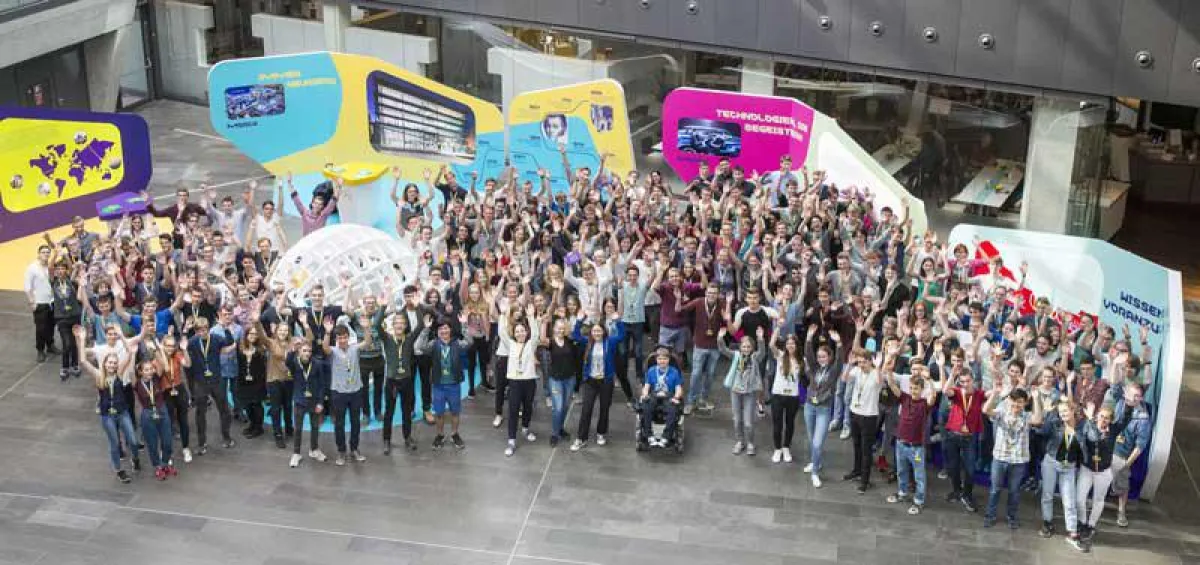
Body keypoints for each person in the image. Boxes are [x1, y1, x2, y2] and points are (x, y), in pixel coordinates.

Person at [74, 325, 138, 483]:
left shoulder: (120, 373)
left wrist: (121, 335)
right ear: (104, 364)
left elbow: (130, 353)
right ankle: (119, 470)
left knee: (133, 440)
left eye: (114, 363)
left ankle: (135, 458)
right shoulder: (98, 375)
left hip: (122, 412)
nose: (112, 365)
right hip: (108, 415)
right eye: (109, 363)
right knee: (114, 443)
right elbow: (82, 360)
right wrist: (81, 340)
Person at [983, 383, 1043, 529]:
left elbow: (1038, 420)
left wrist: (1036, 399)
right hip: (1000, 458)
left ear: (1024, 403)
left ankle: (1012, 517)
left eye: (1020, 401)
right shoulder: (1002, 412)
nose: (1017, 404)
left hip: (1019, 460)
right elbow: (986, 410)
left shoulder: (1027, 416)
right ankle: (990, 515)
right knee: (995, 489)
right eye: (1014, 400)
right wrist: (995, 393)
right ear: (1009, 400)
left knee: (1014, 491)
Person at [1036, 399, 1088, 551]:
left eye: (1066, 411)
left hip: (1069, 466)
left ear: (1073, 411)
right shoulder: (1054, 423)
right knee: (1047, 494)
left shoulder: (1082, 427)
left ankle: (1072, 533)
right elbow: (1042, 431)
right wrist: (1047, 412)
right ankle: (1047, 523)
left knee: (1069, 500)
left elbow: (1085, 448)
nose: (1063, 414)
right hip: (1051, 462)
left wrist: (1076, 434)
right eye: (1061, 412)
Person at [884, 360, 935, 514]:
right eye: (912, 387)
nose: (913, 390)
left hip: (916, 448)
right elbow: (893, 386)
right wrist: (888, 371)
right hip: (901, 443)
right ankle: (902, 493)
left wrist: (930, 380)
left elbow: (932, 396)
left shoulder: (925, 404)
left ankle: (919, 501)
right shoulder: (905, 398)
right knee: (901, 470)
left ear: (921, 389)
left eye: (916, 388)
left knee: (919, 475)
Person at [413, 316, 471, 450]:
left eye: (446, 328)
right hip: (438, 386)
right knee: (439, 413)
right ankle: (440, 435)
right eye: (440, 328)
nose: (443, 331)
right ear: (437, 331)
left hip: (454, 385)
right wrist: (426, 329)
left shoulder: (457, 343)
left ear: (450, 329)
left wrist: (464, 325)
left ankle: (455, 434)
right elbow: (419, 346)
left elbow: (469, 341)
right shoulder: (434, 344)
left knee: (455, 412)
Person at [571, 312, 626, 451]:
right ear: (591, 332)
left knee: (604, 408)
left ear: (604, 331)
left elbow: (622, 335)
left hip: (605, 381)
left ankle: (601, 433)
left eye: (599, 330)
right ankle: (581, 438)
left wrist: (617, 321)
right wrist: (579, 320)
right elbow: (575, 335)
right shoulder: (588, 342)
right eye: (594, 330)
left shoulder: (610, 342)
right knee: (586, 410)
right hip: (590, 381)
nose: (596, 333)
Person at [321, 316, 371, 465]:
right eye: (340, 338)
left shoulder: (355, 348)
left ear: (348, 337)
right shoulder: (333, 351)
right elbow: (324, 348)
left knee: (355, 422)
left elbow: (367, 342)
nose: (342, 340)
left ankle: (354, 449)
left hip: (355, 391)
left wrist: (367, 328)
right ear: (336, 339)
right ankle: (341, 451)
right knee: (339, 423)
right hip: (338, 393)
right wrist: (327, 333)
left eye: (344, 337)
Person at [186, 316, 237, 454]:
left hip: (216, 380)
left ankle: (226, 437)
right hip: (200, 382)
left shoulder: (215, 338)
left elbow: (229, 344)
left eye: (204, 330)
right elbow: (185, 357)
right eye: (199, 330)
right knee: (200, 413)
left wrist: (226, 329)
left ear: (208, 329)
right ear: (195, 331)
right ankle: (202, 443)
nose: (202, 333)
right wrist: (184, 332)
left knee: (224, 410)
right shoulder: (192, 342)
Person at [497, 305, 543, 457]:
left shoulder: (531, 345)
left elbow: (536, 334)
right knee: (513, 410)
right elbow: (502, 332)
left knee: (528, 407)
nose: (520, 333)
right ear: (514, 334)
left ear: (526, 332)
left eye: (522, 331)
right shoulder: (510, 345)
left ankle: (525, 429)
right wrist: (503, 315)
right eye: (517, 331)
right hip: (515, 382)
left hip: (529, 381)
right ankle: (511, 440)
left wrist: (530, 317)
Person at [801, 324, 842, 487]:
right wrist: (809, 338)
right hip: (809, 407)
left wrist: (838, 344)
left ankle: (815, 473)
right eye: (819, 357)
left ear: (829, 357)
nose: (820, 359)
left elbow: (840, 361)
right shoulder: (814, 368)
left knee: (818, 442)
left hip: (824, 409)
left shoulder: (833, 371)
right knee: (812, 441)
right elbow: (808, 354)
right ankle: (815, 461)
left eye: (824, 357)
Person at [942, 367, 984, 513]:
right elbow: (945, 391)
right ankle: (956, 490)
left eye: (967, 381)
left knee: (970, 469)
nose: (965, 384)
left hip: (969, 438)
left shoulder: (979, 394)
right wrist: (952, 376)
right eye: (962, 382)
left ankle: (967, 495)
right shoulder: (957, 392)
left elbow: (998, 393)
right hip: (953, 435)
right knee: (953, 467)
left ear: (973, 380)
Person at [718, 328, 767, 456]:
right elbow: (723, 349)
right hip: (735, 391)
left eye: (748, 347)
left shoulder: (755, 357)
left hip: (749, 392)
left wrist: (760, 338)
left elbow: (762, 352)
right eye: (744, 346)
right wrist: (720, 338)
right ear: (740, 347)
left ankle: (750, 443)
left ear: (752, 348)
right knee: (736, 420)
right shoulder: (736, 356)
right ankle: (740, 441)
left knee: (748, 422)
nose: (746, 349)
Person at [844, 348, 884, 493]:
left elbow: (880, 382)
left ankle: (865, 480)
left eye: (863, 362)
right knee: (856, 444)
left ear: (870, 361)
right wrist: (849, 364)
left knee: (866, 449)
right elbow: (844, 378)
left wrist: (878, 367)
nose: (861, 365)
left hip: (869, 416)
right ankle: (856, 470)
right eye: (859, 362)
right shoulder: (857, 371)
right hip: (855, 412)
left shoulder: (876, 373)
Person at [378, 310, 419, 454]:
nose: (400, 325)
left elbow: (420, 325)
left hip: (406, 381)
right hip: (392, 382)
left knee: (406, 411)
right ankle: (386, 440)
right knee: (389, 411)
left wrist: (418, 305)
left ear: (406, 325)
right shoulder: (387, 339)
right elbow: (377, 324)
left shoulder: (409, 339)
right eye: (397, 323)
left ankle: (407, 437)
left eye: (402, 323)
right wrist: (383, 307)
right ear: (393, 325)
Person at [133, 358, 176, 481]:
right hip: (147, 414)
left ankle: (165, 464)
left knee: (167, 441)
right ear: (140, 372)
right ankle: (157, 467)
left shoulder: (156, 378)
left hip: (162, 410)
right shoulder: (137, 384)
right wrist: (131, 354)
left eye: (151, 368)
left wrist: (158, 347)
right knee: (152, 443)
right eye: (146, 370)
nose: (150, 371)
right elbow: (130, 372)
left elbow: (162, 363)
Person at [287, 341, 328, 468]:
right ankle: (296, 453)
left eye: (309, 351)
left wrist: (321, 402)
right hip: (299, 400)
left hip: (314, 401)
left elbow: (322, 384)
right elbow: (287, 362)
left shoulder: (317, 364)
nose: (307, 353)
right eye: (304, 350)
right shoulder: (294, 362)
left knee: (315, 426)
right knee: (298, 428)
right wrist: (293, 350)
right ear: (299, 352)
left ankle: (314, 450)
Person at [767, 329, 803, 463]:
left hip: (793, 397)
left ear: (797, 345)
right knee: (777, 424)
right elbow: (771, 345)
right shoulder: (781, 356)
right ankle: (777, 449)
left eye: (793, 343)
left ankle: (786, 447)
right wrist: (778, 327)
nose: (790, 345)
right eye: (788, 343)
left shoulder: (801, 360)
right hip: (778, 395)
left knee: (790, 423)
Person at [637, 347, 683, 448]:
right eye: (660, 359)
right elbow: (647, 386)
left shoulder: (674, 372)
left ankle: (666, 436)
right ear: (656, 360)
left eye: (665, 359)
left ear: (669, 360)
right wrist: (644, 395)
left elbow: (679, 388)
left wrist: (676, 397)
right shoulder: (651, 371)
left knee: (673, 410)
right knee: (646, 407)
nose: (662, 361)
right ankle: (649, 435)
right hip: (654, 394)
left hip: (669, 395)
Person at [545, 319, 580, 447]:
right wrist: (543, 322)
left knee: (565, 406)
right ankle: (554, 433)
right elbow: (542, 339)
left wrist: (578, 322)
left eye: (563, 328)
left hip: (569, 379)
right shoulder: (551, 342)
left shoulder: (569, 341)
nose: (560, 330)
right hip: (555, 380)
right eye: (558, 328)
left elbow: (579, 338)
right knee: (558, 408)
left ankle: (560, 428)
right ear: (554, 328)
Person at [25, 244, 56, 363]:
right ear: (38, 254)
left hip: (51, 301)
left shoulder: (50, 267)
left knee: (51, 325)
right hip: (39, 302)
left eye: (48, 252)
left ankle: (50, 345)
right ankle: (40, 350)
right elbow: (27, 287)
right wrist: (32, 302)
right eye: (43, 252)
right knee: (41, 328)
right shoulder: (32, 268)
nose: (46, 254)